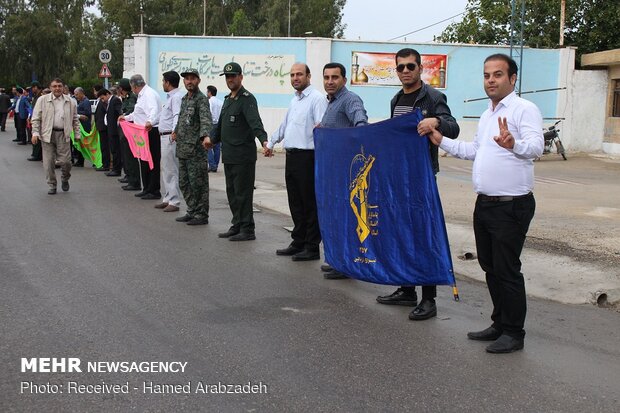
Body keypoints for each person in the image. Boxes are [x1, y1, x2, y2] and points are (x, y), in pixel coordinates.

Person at [427, 54, 543, 353]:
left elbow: (536, 147)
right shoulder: (487, 114)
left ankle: (514, 333)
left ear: (512, 78)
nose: (491, 80)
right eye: (487, 75)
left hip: (511, 205)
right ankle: (500, 323)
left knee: (507, 269)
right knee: (490, 267)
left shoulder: (523, 109)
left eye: (498, 74)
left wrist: (513, 144)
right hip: (486, 204)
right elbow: (474, 150)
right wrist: (442, 141)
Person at [375, 48, 460, 321]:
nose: (405, 71)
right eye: (400, 67)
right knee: (402, 233)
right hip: (398, 177)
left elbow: (452, 125)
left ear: (420, 68)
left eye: (410, 66)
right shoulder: (396, 99)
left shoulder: (433, 96)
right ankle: (406, 289)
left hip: (421, 177)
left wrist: (435, 120)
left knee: (424, 236)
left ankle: (429, 298)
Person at [264, 63, 327, 261]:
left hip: (308, 157)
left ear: (309, 76)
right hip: (291, 157)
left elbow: (321, 127)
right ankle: (298, 241)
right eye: (292, 75)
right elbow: (285, 125)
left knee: (309, 203)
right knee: (295, 203)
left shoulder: (316, 99)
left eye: (299, 74)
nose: (295, 78)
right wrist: (272, 142)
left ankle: (311, 247)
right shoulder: (295, 101)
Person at [205, 62, 268, 241]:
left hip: (243, 157)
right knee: (232, 193)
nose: (230, 79)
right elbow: (221, 127)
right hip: (230, 156)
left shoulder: (247, 99)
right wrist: (211, 139)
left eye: (233, 76)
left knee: (243, 193)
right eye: (227, 76)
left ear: (241, 76)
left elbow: (255, 123)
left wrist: (263, 141)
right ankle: (237, 224)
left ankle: (248, 229)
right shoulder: (228, 100)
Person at [319, 62, 368, 279]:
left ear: (344, 80)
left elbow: (361, 123)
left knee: (347, 218)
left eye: (335, 78)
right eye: (327, 77)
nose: (330, 82)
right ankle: (338, 260)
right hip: (332, 171)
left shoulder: (350, 99)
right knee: (336, 217)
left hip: (346, 172)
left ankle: (346, 265)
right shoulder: (331, 103)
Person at [172, 69, 212, 225]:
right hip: (182, 148)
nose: (189, 81)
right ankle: (192, 209)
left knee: (198, 184)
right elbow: (182, 119)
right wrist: (175, 132)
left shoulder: (201, 99)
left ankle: (201, 214)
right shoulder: (184, 99)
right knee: (184, 182)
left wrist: (205, 137)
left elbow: (205, 120)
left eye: (192, 79)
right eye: (187, 79)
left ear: (198, 81)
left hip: (196, 151)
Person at [30, 78, 80, 194]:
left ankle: (65, 178)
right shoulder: (42, 100)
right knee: (48, 163)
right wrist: (35, 133)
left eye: (59, 86)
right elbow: (36, 118)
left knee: (66, 162)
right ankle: (52, 185)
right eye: (54, 86)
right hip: (47, 134)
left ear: (63, 87)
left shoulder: (70, 101)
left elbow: (75, 119)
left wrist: (77, 134)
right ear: (50, 87)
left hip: (63, 134)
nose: (57, 88)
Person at [119, 74, 162, 200]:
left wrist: (150, 121)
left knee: (151, 161)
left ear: (134, 86)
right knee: (143, 160)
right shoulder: (141, 95)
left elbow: (154, 110)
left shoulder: (148, 94)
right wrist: (126, 118)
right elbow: (137, 114)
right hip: (143, 133)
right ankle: (147, 188)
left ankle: (154, 190)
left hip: (150, 131)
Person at [155, 70, 183, 213]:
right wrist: (150, 122)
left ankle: (174, 200)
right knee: (165, 169)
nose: (162, 84)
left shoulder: (176, 97)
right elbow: (162, 116)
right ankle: (167, 198)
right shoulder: (170, 97)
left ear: (168, 82)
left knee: (171, 169)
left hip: (169, 137)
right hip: (164, 136)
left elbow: (177, 115)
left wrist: (174, 132)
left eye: (163, 81)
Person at [117, 78, 141, 191]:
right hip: (125, 130)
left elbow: (131, 111)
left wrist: (125, 115)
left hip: (130, 130)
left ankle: (134, 182)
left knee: (130, 157)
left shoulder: (132, 97)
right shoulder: (126, 97)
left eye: (119, 87)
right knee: (126, 156)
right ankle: (130, 177)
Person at [105, 85, 123, 177]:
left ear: (109, 93)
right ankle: (115, 169)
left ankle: (117, 169)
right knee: (113, 150)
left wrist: (121, 116)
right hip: (111, 130)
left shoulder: (115, 100)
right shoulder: (110, 101)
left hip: (115, 130)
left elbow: (119, 111)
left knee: (116, 150)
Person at [206, 85, 223, 172]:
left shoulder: (209, 101)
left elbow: (209, 113)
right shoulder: (220, 102)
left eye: (207, 91)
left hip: (211, 124)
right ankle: (215, 165)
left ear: (209, 92)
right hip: (219, 125)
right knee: (217, 146)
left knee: (208, 145)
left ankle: (212, 165)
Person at [93, 84, 108, 170]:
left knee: (105, 147)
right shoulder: (100, 101)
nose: (94, 93)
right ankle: (104, 163)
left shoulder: (103, 102)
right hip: (100, 127)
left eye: (94, 91)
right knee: (103, 147)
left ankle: (106, 165)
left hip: (103, 127)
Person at [27, 82, 43, 161]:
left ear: (36, 87)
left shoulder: (41, 96)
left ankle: (37, 155)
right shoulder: (36, 96)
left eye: (32, 88)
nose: (32, 90)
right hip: (34, 118)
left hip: (39, 120)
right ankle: (36, 154)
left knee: (37, 136)